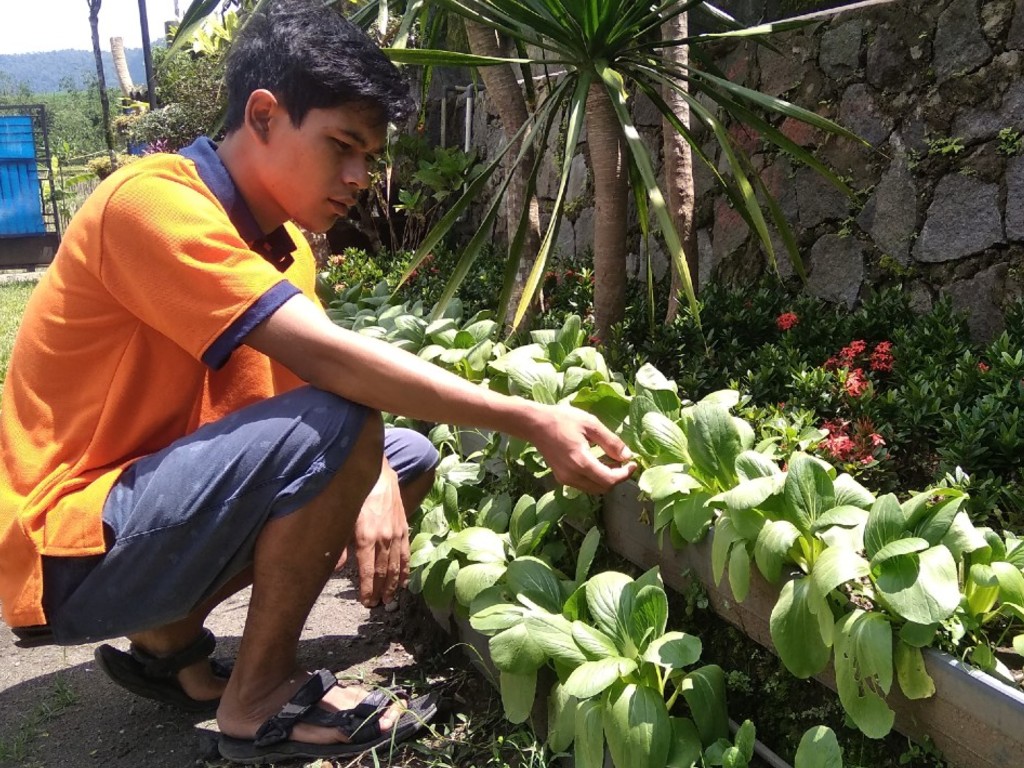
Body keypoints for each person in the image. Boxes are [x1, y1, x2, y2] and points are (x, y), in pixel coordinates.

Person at [0, 0, 635, 763]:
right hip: (61, 548)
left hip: (140, 513)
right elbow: (332, 380)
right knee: (344, 427)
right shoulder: (152, 203)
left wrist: (368, 479)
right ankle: (258, 698)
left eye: (368, 154)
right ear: (264, 115)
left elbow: (310, 390)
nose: (359, 177)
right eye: (342, 146)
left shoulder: (285, 250)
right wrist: (528, 416)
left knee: (405, 461)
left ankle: (169, 642)